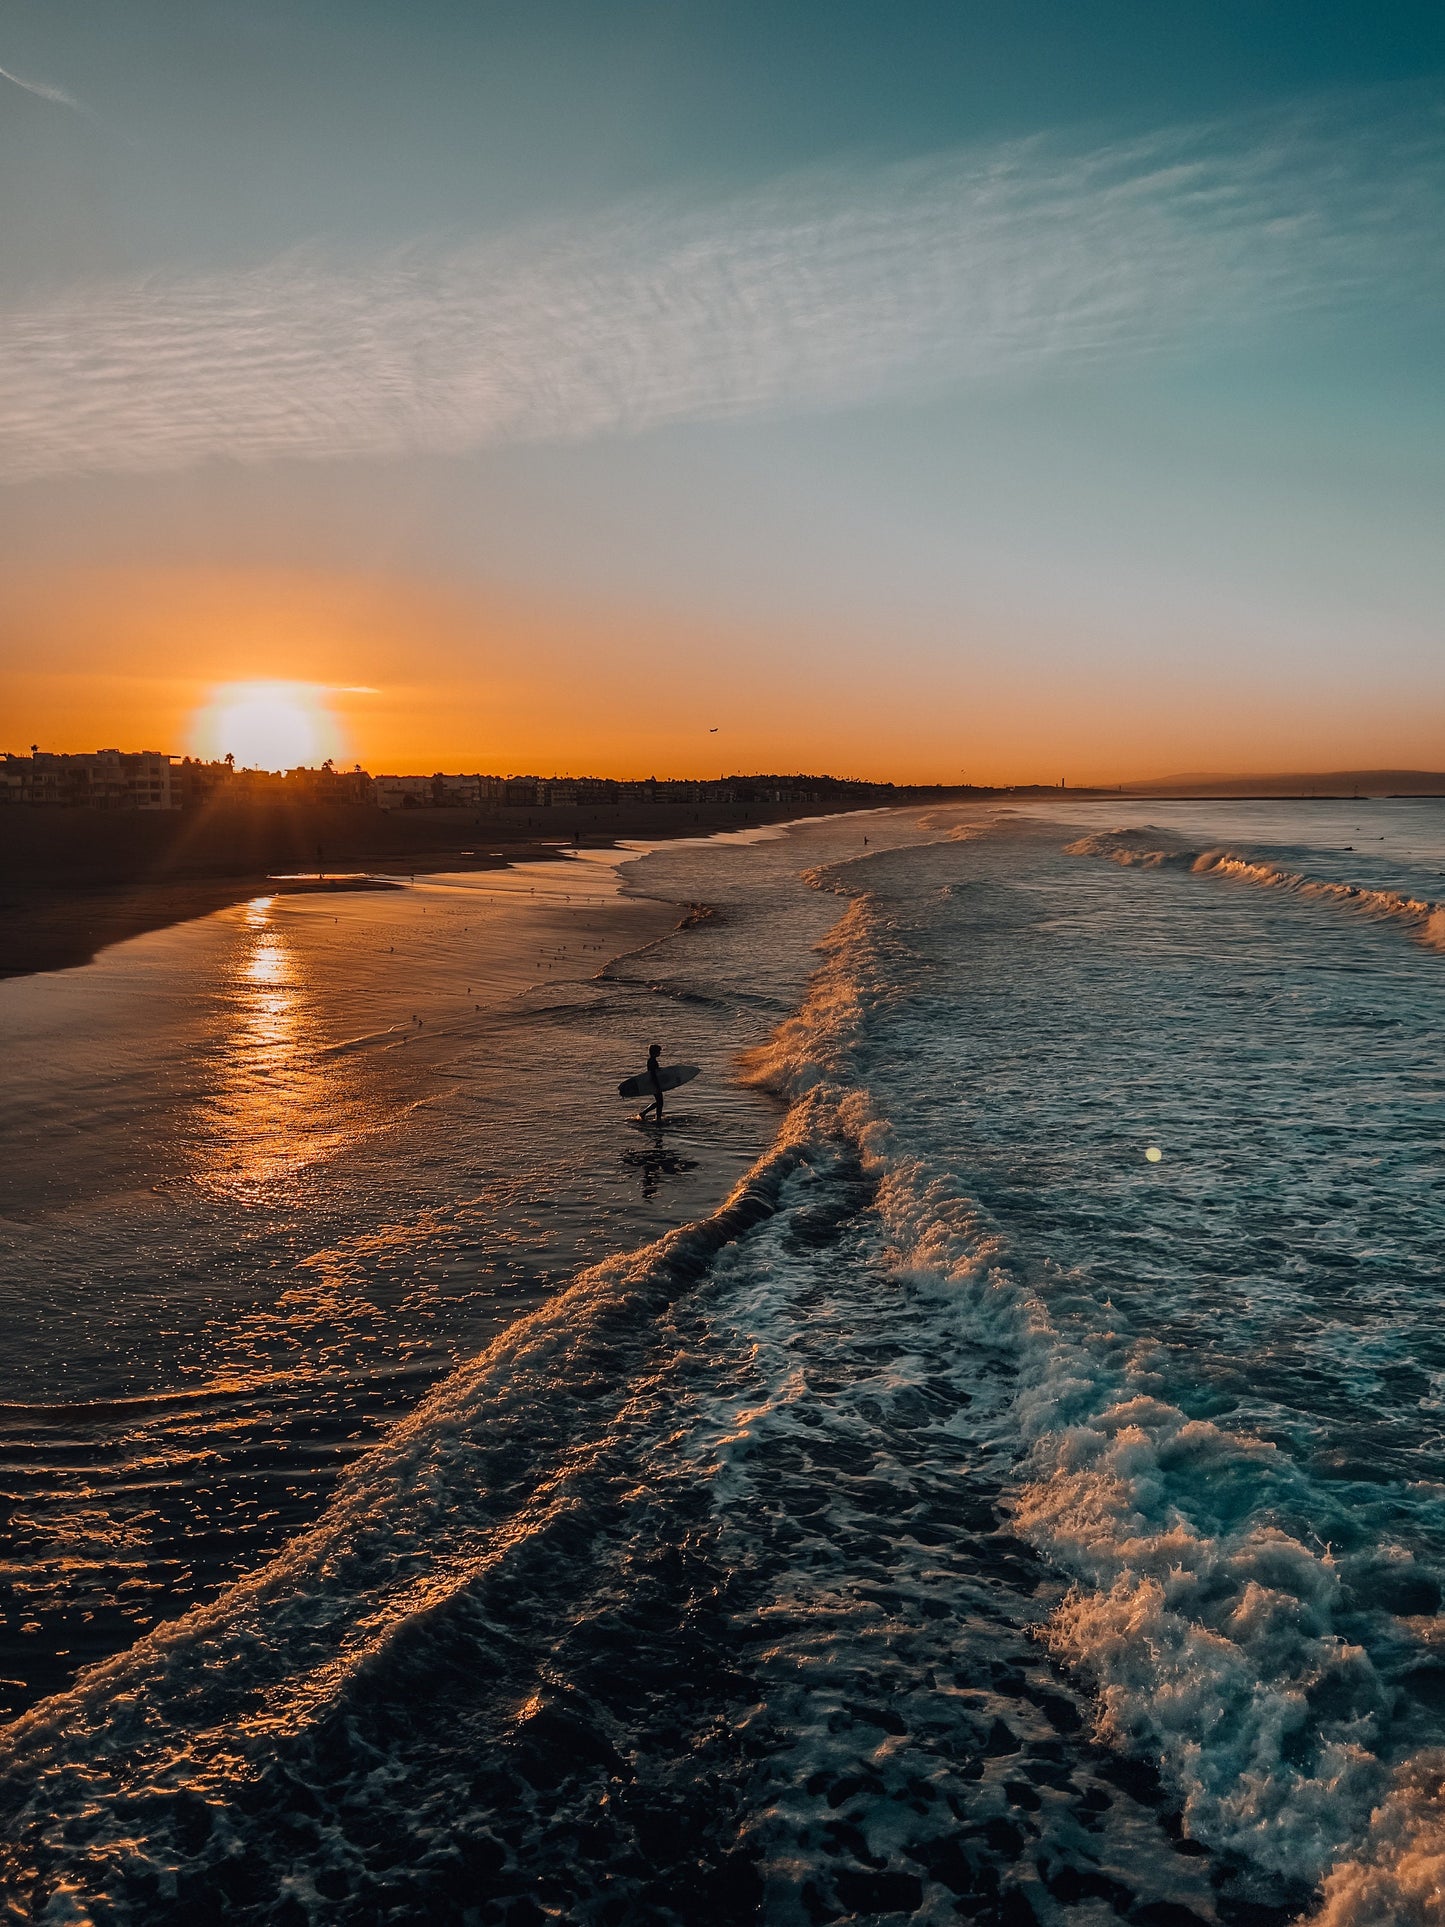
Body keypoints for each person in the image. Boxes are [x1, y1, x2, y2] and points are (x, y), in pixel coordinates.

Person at [640, 1042, 666, 1123]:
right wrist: (657, 1085)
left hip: (654, 1083)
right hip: (654, 1083)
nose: (660, 1053)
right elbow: (653, 1074)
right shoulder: (652, 1061)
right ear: (655, 1052)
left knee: (659, 1102)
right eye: (659, 1051)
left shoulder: (652, 1060)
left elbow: (654, 1071)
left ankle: (651, 1115)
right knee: (660, 1102)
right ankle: (655, 1117)